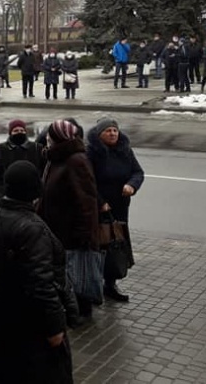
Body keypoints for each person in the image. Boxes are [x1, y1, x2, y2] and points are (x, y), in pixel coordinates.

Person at [0, 161, 73, 384]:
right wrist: (55, 327)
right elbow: (42, 283)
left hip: (8, 315)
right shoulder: (32, 228)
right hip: (33, 324)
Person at [40, 120, 99, 319]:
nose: (47, 139)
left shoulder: (75, 160)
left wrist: (84, 232)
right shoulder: (56, 157)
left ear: (58, 138)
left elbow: (86, 200)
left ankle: (82, 310)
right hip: (57, 227)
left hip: (71, 230)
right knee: (64, 272)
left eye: (50, 136)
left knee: (77, 273)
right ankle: (72, 307)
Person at [86, 117, 144, 301]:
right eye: (108, 131)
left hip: (120, 206)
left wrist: (132, 185)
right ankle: (92, 285)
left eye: (115, 130)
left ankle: (110, 284)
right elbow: (87, 181)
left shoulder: (124, 150)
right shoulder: (91, 152)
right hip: (99, 208)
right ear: (99, 133)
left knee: (115, 246)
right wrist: (100, 202)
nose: (112, 134)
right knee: (98, 246)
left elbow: (138, 172)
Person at [0, 119, 45, 198]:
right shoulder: (0, 148)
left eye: (22, 130)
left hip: (31, 192)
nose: (19, 132)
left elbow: (42, 170)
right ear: (10, 133)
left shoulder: (37, 148)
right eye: (16, 130)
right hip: (7, 192)